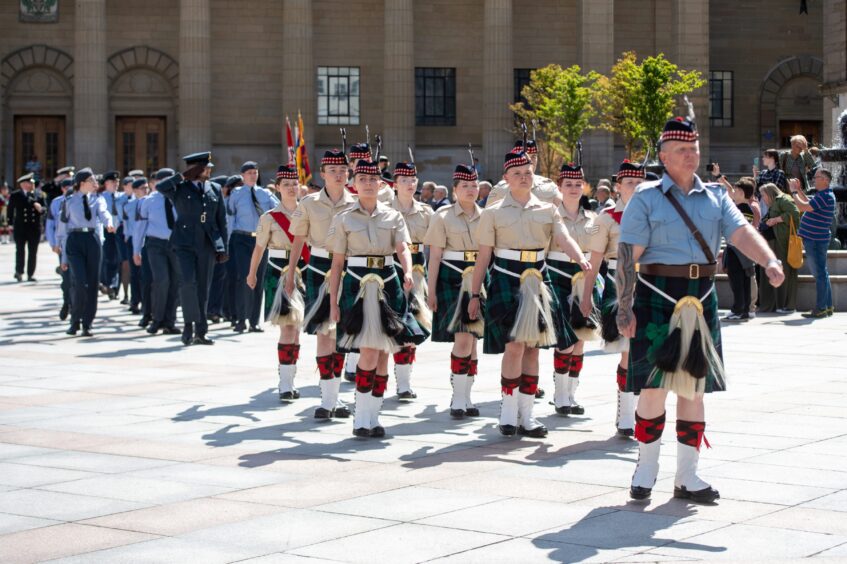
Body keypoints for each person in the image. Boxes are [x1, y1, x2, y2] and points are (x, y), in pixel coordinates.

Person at [616, 115, 784, 504]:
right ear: (663, 155)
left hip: (702, 294)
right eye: (681, 150)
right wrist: (624, 308)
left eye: (693, 149)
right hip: (656, 292)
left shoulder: (716, 196)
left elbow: (741, 232)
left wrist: (770, 260)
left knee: (694, 390)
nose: (691, 156)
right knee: (653, 387)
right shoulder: (645, 197)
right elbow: (628, 256)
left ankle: (688, 475)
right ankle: (646, 467)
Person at [469, 149, 588, 438]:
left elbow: (563, 236)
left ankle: (527, 416)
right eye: (517, 173)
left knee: (533, 348)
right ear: (506, 178)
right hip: (507, 280)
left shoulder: (548, 209)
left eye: (527, 172)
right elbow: (483, 257)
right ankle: (508, 413)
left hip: (538, 280)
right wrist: (474, 294)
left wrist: (581, 258)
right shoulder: (493, 213)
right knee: (514, 347)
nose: (523, 177)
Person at [327, 159, 423, 438]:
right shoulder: (344, 218)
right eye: (363, 179)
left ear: (382, 185)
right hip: (357, 284)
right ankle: (361, 417)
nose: (368, 184)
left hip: (388, 281)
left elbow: (402, 247)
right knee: (368, 350)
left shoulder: (393, 216)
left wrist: (407, 271)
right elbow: (336, 264)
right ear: (353, 184)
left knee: (383, 352)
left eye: (373, 180)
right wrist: (333, 302)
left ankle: (374, 416)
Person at [287, 149, 357, 420]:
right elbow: (297, 241)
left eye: (343, 171)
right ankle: (327, 400)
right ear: (322, 174)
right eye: (332, 171)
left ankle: (334, 395)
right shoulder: (309, 203)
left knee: (341, 333)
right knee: (324, 333)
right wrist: (292, 273)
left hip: (350, 269)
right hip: (318, 267)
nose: (338, 175)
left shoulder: (357, 202)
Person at [586, 159, 644, 437]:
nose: (636, 187)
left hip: (650, 283)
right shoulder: (606, 218)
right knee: (627, 351)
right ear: (618, 187)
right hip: (618, 283)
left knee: (648, 350)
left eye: (640, 182)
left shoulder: (655, 214)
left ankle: (645, 412)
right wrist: (586, 296)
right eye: (630, 182)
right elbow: (595, 260)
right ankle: (625, 415)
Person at [424, 163, 485, 419]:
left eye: (474, 185)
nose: (470, 190)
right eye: (465, 186)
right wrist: (431, 290)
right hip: (451, 277)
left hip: (478, 278)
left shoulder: (487, 216)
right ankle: (458, 399)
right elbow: (435, 256)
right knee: (462, 338)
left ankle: (467, 396)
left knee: (472, 342)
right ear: (455, 189)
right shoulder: (443, 216)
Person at [545, 163, 600, 417]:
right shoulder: (549, 216)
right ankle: (559, 394)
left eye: (578, 184)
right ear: (559, 187)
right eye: (568, 184)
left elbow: (601, 249)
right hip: (556, 273)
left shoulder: (594, 219)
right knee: (564, 339)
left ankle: (571, 394)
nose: (574, 188)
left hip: (585, 277)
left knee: (580, 340)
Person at [247, 165, 306, 401]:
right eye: (286, 185)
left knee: (298, 328)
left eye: (295, 184)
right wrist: (252, 274)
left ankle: (290, 377)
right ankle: (285, 383)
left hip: (303, 270)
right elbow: (259, 248)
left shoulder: (308, 213)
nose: (292, 189)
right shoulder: (269, 217)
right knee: (287, 327)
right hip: (277, 272)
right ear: (278, 187)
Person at [157, 152, 229, 345]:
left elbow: (222, 220)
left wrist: (224, 248)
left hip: (207, 243)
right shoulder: (180, 188)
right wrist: (182, 175)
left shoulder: (214, 188)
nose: (210, 171)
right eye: (206, 168)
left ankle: (201, 331)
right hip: (184, 243)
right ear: (196, 169)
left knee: (204, 287)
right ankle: (188, 326)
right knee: (188, 283)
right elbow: (160, 187)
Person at [390, 160, 434, 401]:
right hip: (391, 267)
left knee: (413, 325)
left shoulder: (426, 212)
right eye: (404, 180)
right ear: (394, 184)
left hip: (416, 268)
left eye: (413, 180)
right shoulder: (384, 207)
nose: (409, 184)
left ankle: (404, 383)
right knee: (388, 323)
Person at [56, 168, 115, 336]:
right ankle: (75, 320)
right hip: (74, 240)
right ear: (82, 183)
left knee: (92, 283)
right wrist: (64, 258)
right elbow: (63, 229)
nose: (96, 184)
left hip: (92, 240)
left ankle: (87, 323)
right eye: (92, 181)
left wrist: (109, 223)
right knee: (80, 282)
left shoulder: (98, 200)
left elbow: (104, 214)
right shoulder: (68, 201)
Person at [228, 161, 279, 333]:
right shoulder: (235, 194)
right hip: (241, 239)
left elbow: (279, 211)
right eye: (249, 173)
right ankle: (240, 320)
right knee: (244, 278)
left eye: (255, 172)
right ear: (242, 176)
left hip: (261, 240)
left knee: (259, 278)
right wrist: (227, 242)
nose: (252, 175)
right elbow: (230, 217)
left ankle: (254, 321)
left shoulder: (265, 193)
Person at [133, 168, 180, 335]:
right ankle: (157, 319)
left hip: (175, 245)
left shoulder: (179, 198)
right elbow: (139, 227)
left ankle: (170, 322)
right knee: (161, 281)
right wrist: (136, 250)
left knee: (175, 282)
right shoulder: (149, 201)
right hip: (155, 245)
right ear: (156, 183)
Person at [792, 171, 837, 318]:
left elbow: (803, 207)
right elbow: (808, 203)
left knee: (819, 274)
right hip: (816, 239)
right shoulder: (824, 195)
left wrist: (793, 192)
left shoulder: (825, 196)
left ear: (824, 180)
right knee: (822, 273)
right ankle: (827, 306)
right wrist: (799, 190)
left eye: (816, 177)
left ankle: (821, 308)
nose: (813, 180)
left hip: (815, 240)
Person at [717, 176, 760, 321]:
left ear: (741, 192)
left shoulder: (741, 209)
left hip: (737, 249)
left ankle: (738, 309)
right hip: (741, 248)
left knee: (737, 281)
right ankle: (744, 309)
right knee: (744, 280)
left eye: (735, 190)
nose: (733, 192)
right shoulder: (745, 208)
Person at [757, 183, 800, 314]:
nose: (763, 198)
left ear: (770, 193)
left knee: (785, 272)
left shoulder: (784, 199)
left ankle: (787, 305)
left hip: (782, 243)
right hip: (774, 243)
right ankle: (774, 305)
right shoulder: (775, 202)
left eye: (763, 195)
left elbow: (795, 213)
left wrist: (776, 220)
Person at [485, 140, 559, 208]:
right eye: (525, 156)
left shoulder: (549, 187)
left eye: (534, 156)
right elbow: (489, 217)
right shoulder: (500, 190)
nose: (531, 161)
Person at [46, 178, 75, 320]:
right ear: (62, 189)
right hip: (63, 245)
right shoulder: (56, 202)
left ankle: (76, 306)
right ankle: (67, 303)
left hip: (79, 244)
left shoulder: (81, 200)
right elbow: (50, 225)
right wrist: (53, 243)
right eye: (67, 187)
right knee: (67, 278)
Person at [8, 173, 45, 282]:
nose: (31, 185)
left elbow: (45, 209)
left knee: (33, 251)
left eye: (32, 183)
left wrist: (41, 209)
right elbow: (10, 210)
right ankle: (19, 272)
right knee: (20, 250)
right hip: (20, 228)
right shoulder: (16, 195)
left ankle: (30, 274)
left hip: (34, 228)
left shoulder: (39, 195)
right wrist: (10, 223)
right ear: (23, 184)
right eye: (29, 183)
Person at [123, 179, 149, 316]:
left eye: (146, 188)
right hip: (133, 239)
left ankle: (146, 303)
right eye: (142, 188)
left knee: (146, 274)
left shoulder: (149, 202)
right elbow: (126, 223)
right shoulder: (129, 205)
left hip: (147, 240)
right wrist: (126, 236)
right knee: (134, 273)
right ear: (135, 190)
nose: (145, 190)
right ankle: (135, 301)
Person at [115, 176, 134, 304]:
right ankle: (126, 294)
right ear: (125, 186)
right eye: (130, 185)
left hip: (135, 231)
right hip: (122, 230)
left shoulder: (140, 199)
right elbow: (122, 215)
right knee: (125, 263)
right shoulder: (119, 200)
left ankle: (135, 295)